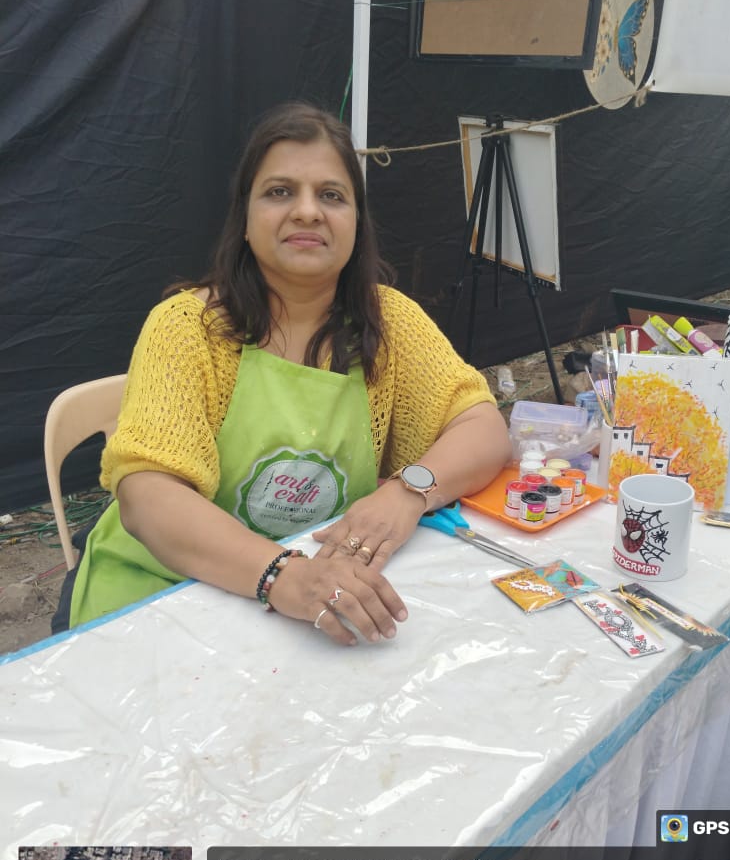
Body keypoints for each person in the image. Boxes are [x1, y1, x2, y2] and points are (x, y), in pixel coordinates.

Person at [63, 102, 512, 645]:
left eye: (331, 195)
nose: (307, 212)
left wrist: (406, 493)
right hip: (165, 590)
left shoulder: (390, 321)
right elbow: (146, 495)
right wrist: (282, 575)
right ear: (244, 219)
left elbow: (483, 428)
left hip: (320, 593)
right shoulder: (185, 327)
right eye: (280, 192)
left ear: (357, 223)